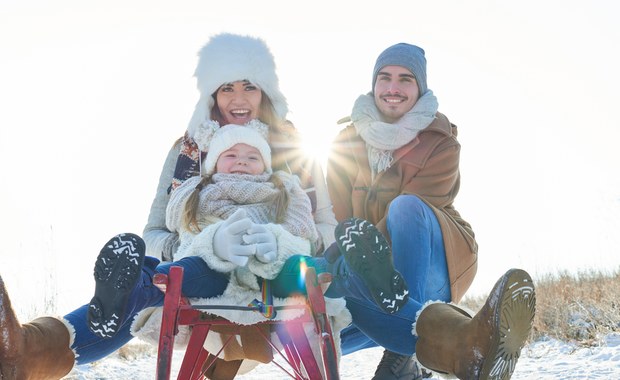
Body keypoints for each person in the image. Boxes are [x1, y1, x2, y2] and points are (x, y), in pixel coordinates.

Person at [0, 33, 406, 379]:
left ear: (265, 92)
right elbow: (157, 231)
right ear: (212, 94)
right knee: (146, 277)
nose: (238, 98)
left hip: (280, 279)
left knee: (331, 266)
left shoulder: (295, 155)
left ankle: (377, 284)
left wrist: (281, 242)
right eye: (226, 87)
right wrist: (203, 246)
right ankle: (27, 350)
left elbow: (320, 226)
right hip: (204, 279)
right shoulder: (188, 154)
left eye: (248, 86)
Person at [325, 42, 537, 380]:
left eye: (405, 79)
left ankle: (403, 353)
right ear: (373, 84)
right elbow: (333, 216)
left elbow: (415, 210)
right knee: (322, 298)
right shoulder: (344, 144)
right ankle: (461, 348)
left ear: (420, 87)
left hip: (434, 258)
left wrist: (357, 255)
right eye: (385, 78)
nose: (393, 88)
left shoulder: (440, 141)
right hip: (371, 278)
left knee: (405, 207)